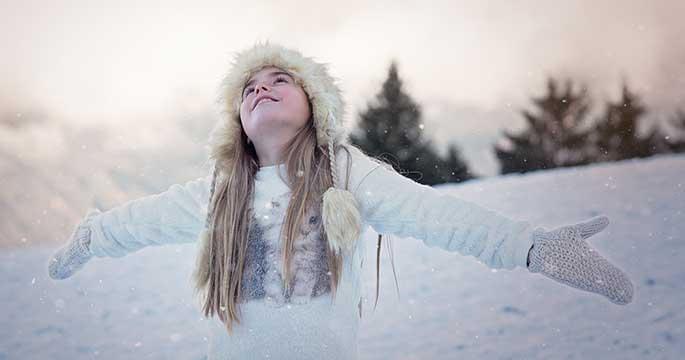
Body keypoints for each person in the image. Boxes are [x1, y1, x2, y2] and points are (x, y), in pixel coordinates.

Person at [47, 41, 634, 360]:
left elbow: (436, 215)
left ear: (314, 104)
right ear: (239, 125)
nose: (261, 90)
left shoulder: (346, 174)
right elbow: (143, 220)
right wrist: (93, 235)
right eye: (249, 89)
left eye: (279, 80)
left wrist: (532, 248)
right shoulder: (221, 193)